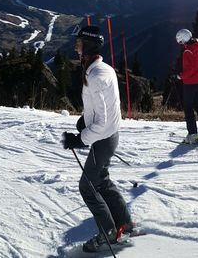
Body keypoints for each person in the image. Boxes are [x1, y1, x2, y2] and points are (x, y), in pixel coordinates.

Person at [62, 24, 134, 254]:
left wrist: (80, 139)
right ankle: (125, 224)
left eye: (80, 44)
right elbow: (102, 110)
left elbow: (101, 123)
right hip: (109, 135)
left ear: (90, 45)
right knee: (101, 181)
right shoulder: (100, 69)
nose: (76, 47)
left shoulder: (96, 76)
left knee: (87, 186)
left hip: (104, 138)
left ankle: (109, 234)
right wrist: (85, 120)